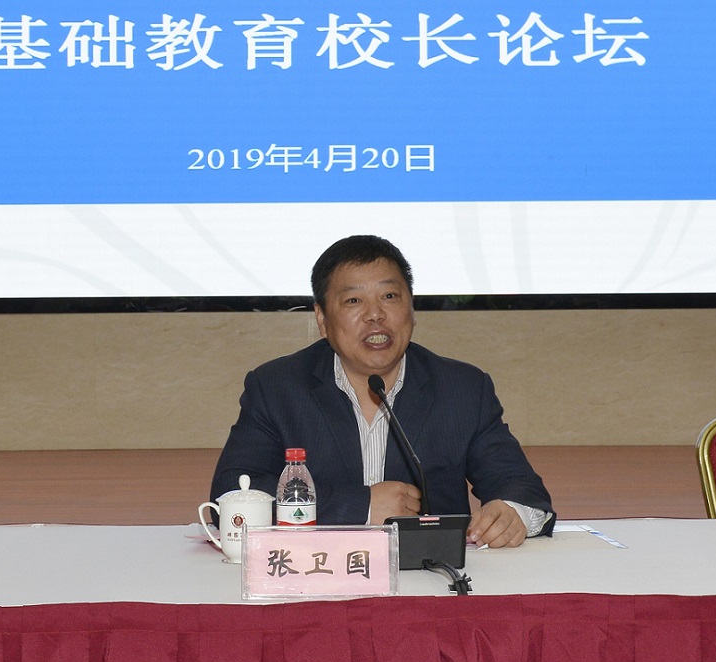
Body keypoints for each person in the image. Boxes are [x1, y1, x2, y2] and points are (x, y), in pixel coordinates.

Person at [212, 234, 553, 548]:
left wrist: (512, 513)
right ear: (322, 319)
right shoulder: (277, 388)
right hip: (315, 572)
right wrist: (361, 506)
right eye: (353, 300)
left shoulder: (462, 389)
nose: (375, 315)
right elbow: (231, 494)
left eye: (389, 296)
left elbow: (521, 488)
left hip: (430, 577)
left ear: (411, 309)